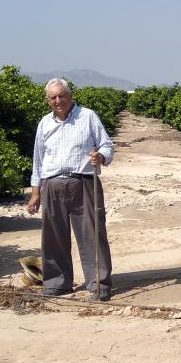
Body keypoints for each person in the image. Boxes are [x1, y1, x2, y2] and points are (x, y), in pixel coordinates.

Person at [26, 78, 115, 301]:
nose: (58, 101)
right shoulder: (44, 124)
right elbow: (38, 159)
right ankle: (57, 283)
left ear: (70, 96)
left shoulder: (88, 116)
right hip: (52, 185)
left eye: (61, 95)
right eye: (53, 97)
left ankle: (98, 283)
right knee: (53, 238)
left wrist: (100, 156)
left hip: (83, 182)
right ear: (48, 101)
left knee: (91, 234)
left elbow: (107, 144)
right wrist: (35, 193)